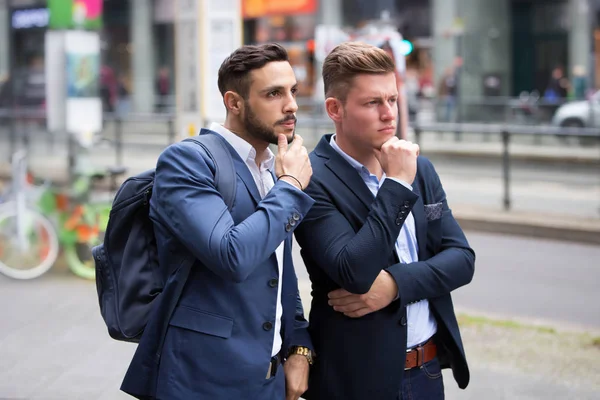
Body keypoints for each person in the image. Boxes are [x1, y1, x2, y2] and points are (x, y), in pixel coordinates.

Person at [121, 43, 315, 400]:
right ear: (234, 102)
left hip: (269, 381)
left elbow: (281, 273)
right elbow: (232, 255)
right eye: (274, 93)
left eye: (292, 91)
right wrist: (289, 187)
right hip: (202, 380)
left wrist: (299, 346)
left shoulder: (274, 168)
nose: (291, 105)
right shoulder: (187, 161)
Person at [294, 42, 476, 400]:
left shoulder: (419, 167)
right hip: (355, 379)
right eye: (372, 103)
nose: (389, 114)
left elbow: (462, 259)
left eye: (392, 99)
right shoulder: (310, 179)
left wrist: (395, 285)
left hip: (426, 369)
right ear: (336, 108)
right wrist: (396, 184)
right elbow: (355, 270)